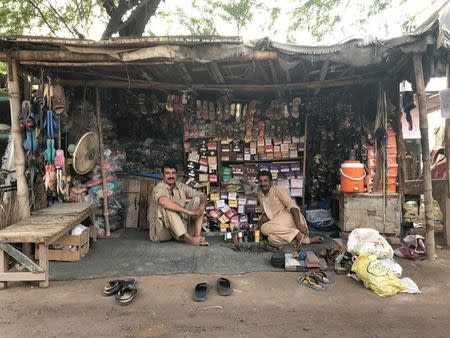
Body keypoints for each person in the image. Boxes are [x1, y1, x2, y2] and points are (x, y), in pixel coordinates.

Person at [257, 170, 323, 247]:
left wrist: (298, 224)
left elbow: (293, 207)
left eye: (265, 181)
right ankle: (305, 240)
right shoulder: (260, 194)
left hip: (289, 217)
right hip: (277, 223)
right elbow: (265, 208)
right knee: (272, 239)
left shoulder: (278, 190)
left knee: (264, 228)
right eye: (260, 181)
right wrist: (264, 214)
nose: (263, 184)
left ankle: (298, 234)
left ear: (271, 182)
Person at [148, 162, 208, 246]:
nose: (171, 176)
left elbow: (202, 195)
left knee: (198, 200)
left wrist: (201, 207)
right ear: (162, 175)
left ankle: (197, 236)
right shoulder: (158, 188)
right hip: (163, 231)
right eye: (167, 173)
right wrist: (187, 212)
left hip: (181, 228)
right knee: (167, 206)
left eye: (173, 173)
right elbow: (164, 202)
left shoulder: (181, 186)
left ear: (177, 174)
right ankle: (189, 239)